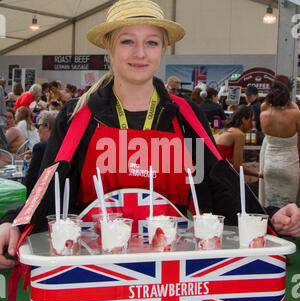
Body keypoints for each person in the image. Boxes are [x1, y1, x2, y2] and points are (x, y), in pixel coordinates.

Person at [1, 0, 300, 271]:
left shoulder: (185, 119)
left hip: (171, 277)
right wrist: (11, 223)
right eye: (127, 41)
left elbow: (215, 188)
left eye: (152, 42)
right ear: (108, 45)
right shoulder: (76, 116)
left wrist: (269, 216)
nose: (140, 53)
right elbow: (50, 192)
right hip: (93, 276)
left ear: (163, 48)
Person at [259, 81, 300, 208]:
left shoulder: (264, 114)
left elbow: (265, 105)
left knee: (271, 205)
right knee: (289, 206)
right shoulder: (295, 114)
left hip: (270, 165)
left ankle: (272, 227)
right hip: (289, 164)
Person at [214, 105, 262, 179]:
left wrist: (250, 165)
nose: (252, 124)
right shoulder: (239, 134)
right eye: (251, 120)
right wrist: (258, 174)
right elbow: (238, 167)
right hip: (220, 176)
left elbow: (229, 160)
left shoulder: (223, 131)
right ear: (243, 119)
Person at [23, 110, 58, 196]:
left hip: (41, 197)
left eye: (38, 126)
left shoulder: (40, 147)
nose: (37, 130)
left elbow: (30, 181)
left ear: (47, 126)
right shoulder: (64, 144)